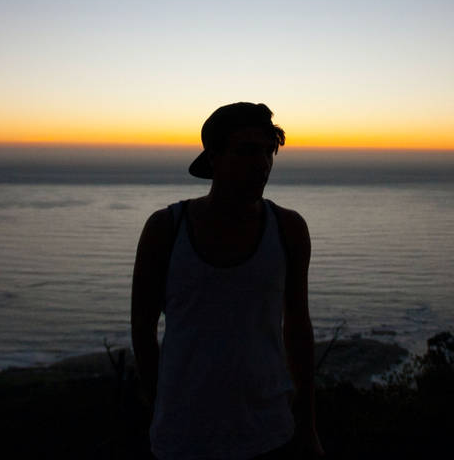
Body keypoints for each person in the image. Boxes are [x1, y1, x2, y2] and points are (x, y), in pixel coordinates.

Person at [131, 102, 324, 459]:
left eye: (269, 151)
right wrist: (164, 405)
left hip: (271, 434)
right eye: (247, 151)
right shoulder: (165, 230)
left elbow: (298, 326)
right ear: (214, 157)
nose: (262, 163)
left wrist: (308, 425)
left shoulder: (289, 229)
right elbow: (142, 330)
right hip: (183, 439)